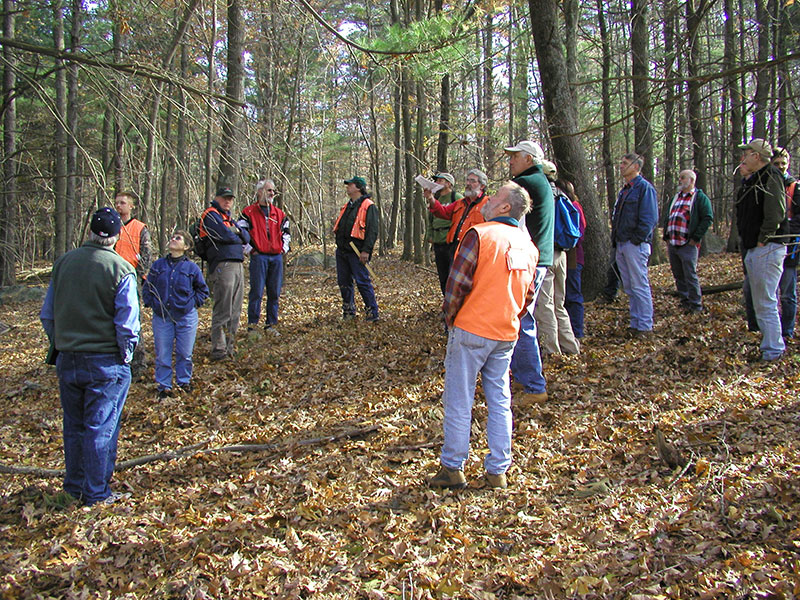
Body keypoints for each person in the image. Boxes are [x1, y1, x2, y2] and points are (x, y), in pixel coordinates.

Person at [429, 182, 538, 490]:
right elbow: (528, 296)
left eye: (496, 197)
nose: (489, 200)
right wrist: (511, 318)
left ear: (506, 208)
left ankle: (452, 467)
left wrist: (451, 318)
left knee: (459, 399)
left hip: (471, 329)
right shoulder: (529, 246)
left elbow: (456, 285)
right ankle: (498, 470)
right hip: (505, 333)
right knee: (500, 398)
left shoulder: (479, 235)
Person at [40, 207, 140, 506]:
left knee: (74, 425)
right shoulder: (120, 269)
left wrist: (61, 342)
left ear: (90, 232)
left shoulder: (64, 264)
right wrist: (126, 356)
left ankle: (74, 487)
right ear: (116, 235)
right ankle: (96, 494)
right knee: (101, 427)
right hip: (104, 359)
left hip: (68, 357)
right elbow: (127, 323)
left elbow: (48, 315)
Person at [504, 140, 551, 404]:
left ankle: (534, 386)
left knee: (523, 321)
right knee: (522, 319)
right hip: (536, 258)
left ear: (529, 159)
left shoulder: (528, 183)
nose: (510, 161)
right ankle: (525, 378)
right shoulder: (537, 181)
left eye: (515, 157)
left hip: (531, 260)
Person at [736, 139, 788, 361]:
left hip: (768, 248)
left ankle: (774, 350)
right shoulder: (753, 180)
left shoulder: (771, 177)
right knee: (759, 300)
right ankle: (770, 346)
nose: (743, 158)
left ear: (756, 156)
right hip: (755, 248)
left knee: (766, 301)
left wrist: (762, 240)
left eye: (746, 153)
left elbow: (776, 214)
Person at [142, 230, 209, 398]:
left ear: (186, 246)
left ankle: (183, 382)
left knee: (185, 353)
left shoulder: (191, 268)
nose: (173, 239)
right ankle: (164, 386)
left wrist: (193, 303)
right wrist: (152, 303)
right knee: (163, 353)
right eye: (173, 237)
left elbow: (202, 290)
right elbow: (148, 287)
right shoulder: (158, 265)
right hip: (162, 316)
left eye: (178, 238)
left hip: (186, 316)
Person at [200, 186, 250, 360]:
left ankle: (230, 347)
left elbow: (246, 236)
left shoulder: (229, 218)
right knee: (223, 309)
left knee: (236, 310)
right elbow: (223, 235)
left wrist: (235, 232)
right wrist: (236, 235)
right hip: (222, 266)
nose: (227, 201)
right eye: (224, 198)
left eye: (230, 199)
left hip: (237, 265)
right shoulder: (210, 215)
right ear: (217, 198)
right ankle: (218, 349)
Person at [534, 166, 580, 355]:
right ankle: (570, 346)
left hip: (547, 254)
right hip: (562, 254)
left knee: (545, 305)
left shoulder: (542, 196)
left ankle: (552, 351)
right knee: (558, 304)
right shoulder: (564, 195)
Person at [611, 153, 659, 336]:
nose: (621, 166)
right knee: (630, 286)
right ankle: (635, 322)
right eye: (621, 162)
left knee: (640, 285)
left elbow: (649, 219)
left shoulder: (644, 189)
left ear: (636, 167)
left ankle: (645, 326)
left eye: (625, 163)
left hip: (635, 245)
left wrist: (637, 239)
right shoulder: (625, 190)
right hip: (622, 244)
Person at [661, 169, 714, 314]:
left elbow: (707, 218)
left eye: (683, 178)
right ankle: (684, 302)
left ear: (691, 180)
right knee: (678, 274)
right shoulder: (676, 198)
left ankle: (696, 305)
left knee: (690, 274)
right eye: (680, 178)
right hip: (673, 243)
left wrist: (695, 238)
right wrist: (666, 235)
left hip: (687, 244)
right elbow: (669, 216)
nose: (680, 180)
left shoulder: (699, 198)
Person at [242, 179, 290, 332]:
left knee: (274, 292)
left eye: (273, 191)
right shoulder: (248, 212)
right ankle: (253, 325)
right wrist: (250, 250)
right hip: (259, 256)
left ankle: (271, 324)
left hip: (276, 257)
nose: (271, 193)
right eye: (268, 190)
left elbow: (286, 233)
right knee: (256, 291)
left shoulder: (279, 214)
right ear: (259, 192)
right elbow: (241, 234)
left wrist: (283, 249)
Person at [114, 190, 151, 376]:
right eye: (117, 202)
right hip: (110, 280)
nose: (119, 206)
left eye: (122, 203)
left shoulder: (139, 228)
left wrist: (139, 279)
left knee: (132, 322)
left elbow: (146, 256)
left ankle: (138, 364)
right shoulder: (111, 226)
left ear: (131, 206)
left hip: (131, 280)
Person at [334, 176, 380, 321]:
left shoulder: (369, 205)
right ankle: (348, 312)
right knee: (344, 282)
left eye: (350, 185)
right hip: (342, 251)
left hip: (357, 251)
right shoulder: (348, 205)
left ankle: (372, 313)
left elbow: (372, 230)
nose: (347, 187)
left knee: (362, 282)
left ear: (358, 187)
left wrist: (366, 251)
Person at [426, 169, 489, 271]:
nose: (468, 183)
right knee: (447, 281)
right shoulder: (460, 203)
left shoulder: (488, 204)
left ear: (482, 186)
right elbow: (443, 212)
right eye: (467, 180)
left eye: (472, 181)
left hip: (472, 252)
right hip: (453, 248)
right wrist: (430, 198)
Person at [771, 147, 800, 338]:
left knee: (788, 292)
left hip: (790, 244)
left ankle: (787, 330)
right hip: (770, 243)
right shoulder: (766, 185)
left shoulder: (795, 187)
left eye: (784, 163)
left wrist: (786, 229)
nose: (781, 167)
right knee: (770, 292)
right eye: (777, 164)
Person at [425, 173, 463, 294]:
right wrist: (429, 235)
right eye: (437, 181)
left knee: (453, 275)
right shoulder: (436, 200)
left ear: (449, 183)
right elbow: (430, 219)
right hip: (438, 241)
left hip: (451, 242)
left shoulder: (456, 197)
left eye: (441, 180)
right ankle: (446, 303)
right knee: (443, 276)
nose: (438, 183)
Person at [558, 179, 587, 338]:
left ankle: (577, 332)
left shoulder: (574, 207)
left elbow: (579, 234)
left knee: (573, 296)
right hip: (566, 257)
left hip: (573, 258)